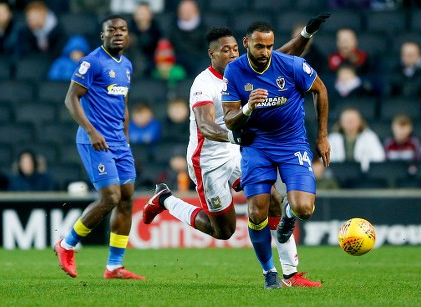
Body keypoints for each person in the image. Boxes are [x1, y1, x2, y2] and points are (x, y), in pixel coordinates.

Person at [144, 14, 330, 289]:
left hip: (239, 151)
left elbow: (285, 53)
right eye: (224, 50)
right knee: (224, 230)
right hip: (209, 159)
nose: (231, 54)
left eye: (234, 49)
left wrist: (306, 32)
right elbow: (206, 126)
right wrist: (238, 134)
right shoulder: (203, 84)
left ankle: (290, 274)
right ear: (212, 54)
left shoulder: (247, 67)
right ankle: (166, 200)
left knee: (273, 202)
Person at [221, 21, 330, 289]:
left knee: (304, 208)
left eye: (270, 46)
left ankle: (288, 219)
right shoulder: (234, 71)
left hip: (292, 143)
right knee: (257, 211)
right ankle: (270, 273)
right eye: (260, 46)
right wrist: (247, 109)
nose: (266, 51)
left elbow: (320, 89)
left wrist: (322, 136)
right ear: (246, 44)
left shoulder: (290, 65)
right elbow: (229, 119)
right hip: (257, 146)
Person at [54, 15, 144, 280]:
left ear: (128, 35)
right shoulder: (91, 62)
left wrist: (125, 138)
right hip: (94, 139)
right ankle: (66, 245)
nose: (118, 34)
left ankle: (114, 266)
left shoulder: (126, 65)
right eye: (111, 30)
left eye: (123, 30)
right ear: (102, 35)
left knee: (127, 198)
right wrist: (92, 131)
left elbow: (122, 103)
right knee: (111, 198)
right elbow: (71, 99)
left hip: (118, 141)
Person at [128, 2, 162, 76]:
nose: (142, 16)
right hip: (133, 70)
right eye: (139, 13)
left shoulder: (159, 33)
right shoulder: (127, 33)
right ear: (135, 16)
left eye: (144, 13)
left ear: (151, 15)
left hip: (154, 69)